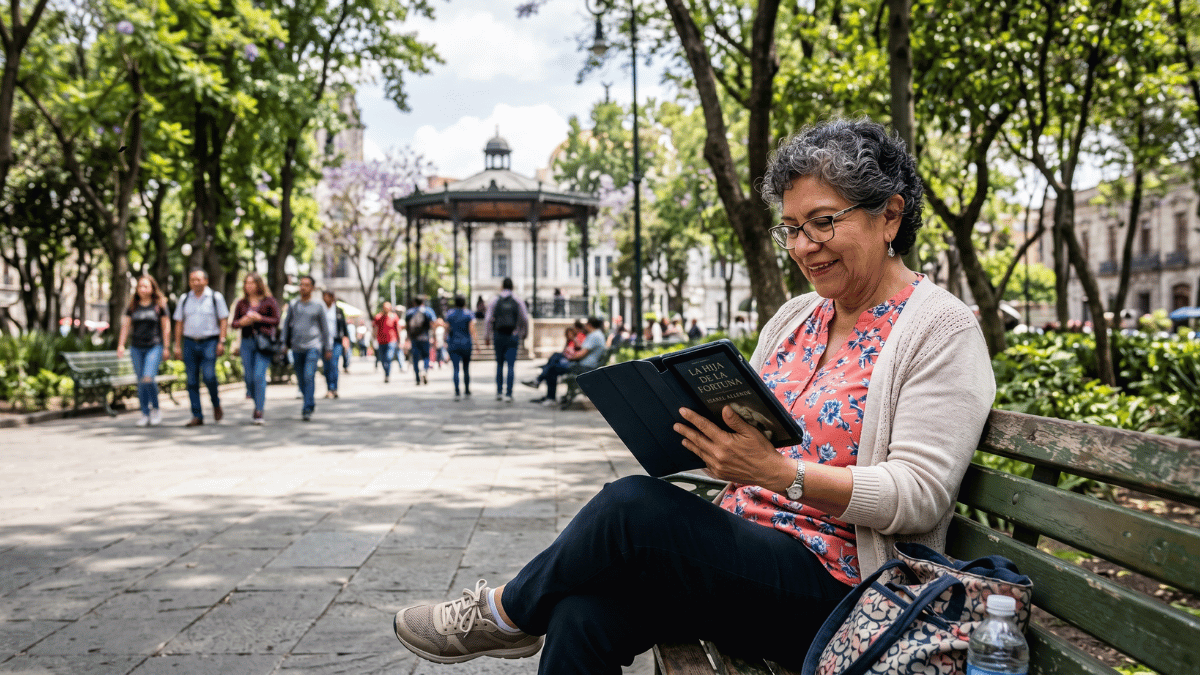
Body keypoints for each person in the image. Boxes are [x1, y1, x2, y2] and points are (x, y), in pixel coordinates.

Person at [391, 118, 996, 672]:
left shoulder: (939, 329)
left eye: (823, 221)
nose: (805, 245)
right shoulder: (794, 319)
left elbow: (919, 496)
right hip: (737, 557)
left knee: (631, 507)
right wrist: (703, 438)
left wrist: (782, 474)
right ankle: (522, 615)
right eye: (791, 228)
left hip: (844, 591)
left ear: (889, 214)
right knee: (581, 614)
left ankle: (505, 613)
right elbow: (752, 435)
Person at [172, 269, 229, 427]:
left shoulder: (215, 297)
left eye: (198, 279)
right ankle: (197, 415)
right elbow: (179, 323)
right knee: (191, 380)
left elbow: (223, 320)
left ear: (206, 280)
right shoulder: (184, 299)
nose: (195, 282)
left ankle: (216, 403)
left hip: (209, 341)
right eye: (192, 280)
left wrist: (221, 341)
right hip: (189, 342)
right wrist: (177, 345)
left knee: (209, 376)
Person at [116, 275, 171, 427]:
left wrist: (166, 347)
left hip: (154, 346)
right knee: (141, 381)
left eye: (146, 286)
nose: (143, 289)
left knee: (148, 377)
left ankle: (156, 409)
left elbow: (166, 327)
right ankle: (144, 413)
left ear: (152, 288)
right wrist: (121, 344)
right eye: (140, 286)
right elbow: (126, 326)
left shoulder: (159, 305)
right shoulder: (133, 305)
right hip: (136, 347)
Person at [231, 272, 280, 425]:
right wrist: (242, 322)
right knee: (249, 377)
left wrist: (260, 319)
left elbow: (277, 320)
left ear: (259, 284)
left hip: (263, 343)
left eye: (252, 283)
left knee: (259, 376)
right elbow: (234, 323)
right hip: (247, 342)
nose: (249, 286)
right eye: (246, 283)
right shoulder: (242, 303)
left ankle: (259, 410)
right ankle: (254, 395)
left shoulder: (269, 301)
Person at [282, 276, 331, 421]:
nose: (303, 287)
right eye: (301, 285)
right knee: (301, 379)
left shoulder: (318, 306)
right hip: (296, 347)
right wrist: (283, 343)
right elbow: (286, 326)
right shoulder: (293, 304)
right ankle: (309, 400)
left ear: (312, 288)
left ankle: (307, 407)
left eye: (307, 285)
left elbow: (325, 329)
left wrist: (327, 347)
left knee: (309, 375)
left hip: (313, 347)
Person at [523, 321, 604, 406]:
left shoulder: (594, 336)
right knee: (555, 359)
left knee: (552, 368)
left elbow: (581, 354)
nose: (585, 327)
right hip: (584, 366)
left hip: (583, 367)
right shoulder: (597, 335)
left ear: (590, 325)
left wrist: (568, 357)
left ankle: (549, 395)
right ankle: (540, 383)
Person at [484, 277, 529, 402]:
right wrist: (524, 333)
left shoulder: (495, 300)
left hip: (498, 335)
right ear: (512, 286)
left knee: (499, 364)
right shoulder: (517, 300)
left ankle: (499, 392)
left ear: (502, 286)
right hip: (512, 336)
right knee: (511, 365)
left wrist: (487, 335)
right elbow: (525, 318)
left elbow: (488, 319)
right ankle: (509, 394)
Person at [321, 290, 351, 399]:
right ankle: (329, 388)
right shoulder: (321, 309)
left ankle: (334, 388)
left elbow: (344, 326)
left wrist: (346, 339)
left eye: (327, 297)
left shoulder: (338, 310)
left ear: (332, 298)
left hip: (336, 341)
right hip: (324, 342)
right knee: (326, 366)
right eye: (324, 296)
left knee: (334, 364)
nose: (325, 299)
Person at [445, 296, 475, 401]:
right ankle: (467, 390)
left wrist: (445, 341)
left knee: (456, 369)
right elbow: (472, 329)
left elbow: (447, 329)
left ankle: (457, 391)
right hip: (466, 343)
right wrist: (477, 344)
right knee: (466, 369)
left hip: (454, 344)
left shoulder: (450, 313)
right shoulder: (468, 314)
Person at [406, 296, 437, 385]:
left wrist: (408, 338)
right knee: (426, 356)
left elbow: (407, 327)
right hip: (425, 338)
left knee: (415, 358)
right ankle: (425, 371)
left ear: (414, 302)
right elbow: (433, 324)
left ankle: (417, 377)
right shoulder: (428, 311)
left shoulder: (410, 312)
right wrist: (434, 337)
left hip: (414, 339)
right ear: (423, 302)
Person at [373, 302, 400, 383]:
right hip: (381, 341)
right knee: (382, 359)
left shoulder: (394, 317)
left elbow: (397, 328)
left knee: (389, 357)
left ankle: (387, 374)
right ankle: (386, 372)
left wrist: (399, 339)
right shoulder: (378, 317)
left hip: (391, 340)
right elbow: (375, 328)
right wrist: (374, 338)